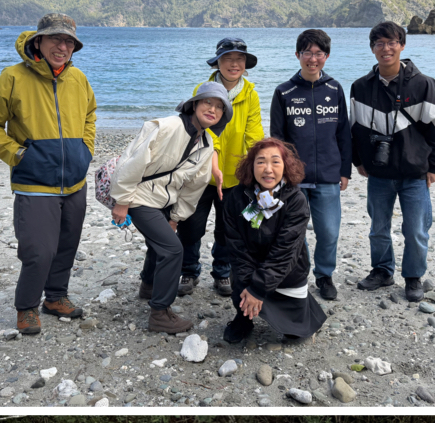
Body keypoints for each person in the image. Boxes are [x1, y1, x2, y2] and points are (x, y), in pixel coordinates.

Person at [0, 14, 97, 339]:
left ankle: (55, 298)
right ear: (38, 42)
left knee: (67, 244)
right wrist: (18, 155)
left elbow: (90, 114)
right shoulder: (13, 77)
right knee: (38, 250)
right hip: (33, 183)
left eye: (68, 41)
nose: (62, 45)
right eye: (55, 39)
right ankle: (26, 305)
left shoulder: (79, 79)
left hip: (75, 181)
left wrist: (86, 149)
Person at [110, 83, 228, 335]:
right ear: (194, 104)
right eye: (208, 102)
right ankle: (160, 313)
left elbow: (193, 187)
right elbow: (133, 160)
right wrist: (121, 200)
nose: (213, 109)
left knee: (162, 242)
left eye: (219, 107)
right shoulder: (167, 126)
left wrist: (176, 217)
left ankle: (149, 286)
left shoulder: (206, 144)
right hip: (138, 196)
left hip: (163, 200)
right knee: (173, 250)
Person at [351, 22, 435, 302]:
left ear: (402, 45)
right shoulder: (360, 87)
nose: (386, 48)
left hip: (415, 172)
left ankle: (413, 277)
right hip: (379, 173)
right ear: (372, 48)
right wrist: (357, 160)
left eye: (392, 42)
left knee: (416, 230)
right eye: (379, 43)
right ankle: (382, 271)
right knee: (378, 227)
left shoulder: (423, 84)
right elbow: (355, 129)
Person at [219, 137, 327, 347]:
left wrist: (258, 289)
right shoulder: (237, 197)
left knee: (295, 334)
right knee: (240, 280)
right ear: (251, 166)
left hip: (287, 270)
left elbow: (285, 252)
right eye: (260, 162)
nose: (268, 169)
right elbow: (235, 245)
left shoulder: (296, 200)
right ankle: (244, 319)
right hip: (250, 266)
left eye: (275, 162)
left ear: (286, 166)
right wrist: (250, 284)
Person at [269, 29, 352, 302]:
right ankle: (298, 272)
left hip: (328, 174)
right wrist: (278, 175)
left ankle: (325, 275)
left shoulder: (335, 88)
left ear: (326, 57)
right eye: (307, 53)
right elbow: (277, 139)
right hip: (294, 177)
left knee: (329, 231)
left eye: (318, 53)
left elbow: (343, 133)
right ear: (298, 55)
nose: (312, 59)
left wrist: (345, 170)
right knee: (295, 231)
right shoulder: (284, 92)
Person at [178, 37, 264, 297]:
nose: (234, 64)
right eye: (228, 59)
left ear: (245, 64)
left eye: (239, 59)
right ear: (218, 62)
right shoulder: (202, 89)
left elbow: (254, 134)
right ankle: (189, 270)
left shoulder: (250, 93)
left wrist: (255, 169)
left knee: (228, 228)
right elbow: (201, 128)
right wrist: (213, 158)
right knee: (191, 225)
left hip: (236, 176)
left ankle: (223, 271)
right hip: (202, 173)